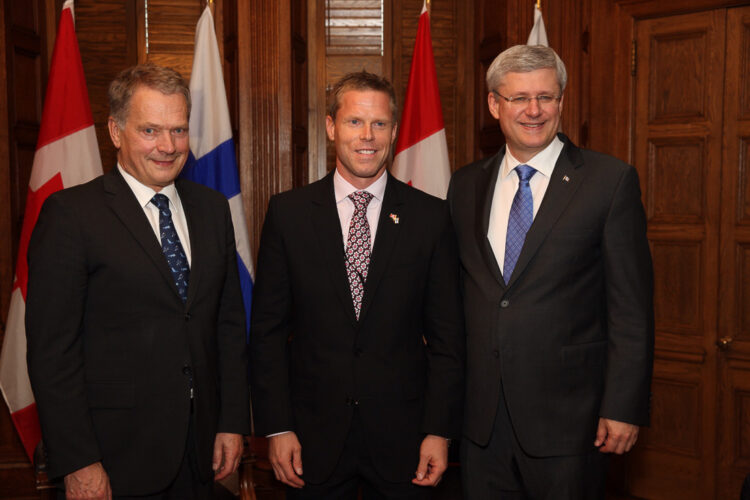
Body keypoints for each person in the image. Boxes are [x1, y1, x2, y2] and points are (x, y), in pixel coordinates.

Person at [26, 64, 250, 499]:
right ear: (115, 131)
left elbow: (228, 328)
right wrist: (78, 462)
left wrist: (232, 422)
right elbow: (53, 354)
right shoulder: (71, 216)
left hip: (200, 454)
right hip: (113, 460)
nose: (168, 146)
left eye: (179, 130)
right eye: (150, 130)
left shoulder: (212, 209)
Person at [447, 45, 654, 499]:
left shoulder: (609, 181)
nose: (534, 110)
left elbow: (631, 308)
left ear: (561, 101)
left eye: (547, 96)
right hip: (481, 423)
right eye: (519, 97)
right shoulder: (465, 185)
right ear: (494, 104)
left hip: (571, 424)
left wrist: (624, 406)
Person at [249, 71, 464, 499]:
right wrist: (277, 426)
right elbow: (267, 334)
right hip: (310, 441)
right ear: (331, 127)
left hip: (405, 442)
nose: (367, 136)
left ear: (394, 130)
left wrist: (439, 431)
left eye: (379, 123)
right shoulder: (288, 214)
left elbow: (448, 340)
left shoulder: (430, 217)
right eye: (354, 122)